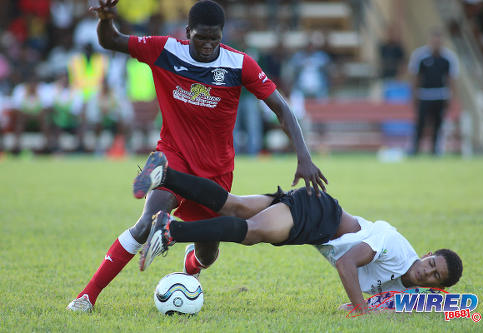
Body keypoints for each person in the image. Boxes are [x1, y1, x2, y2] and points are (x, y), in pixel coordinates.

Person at [67, 0, 327, 312]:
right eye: (200, 38)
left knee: (208, 256)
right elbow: (111, 41)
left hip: (214, 175)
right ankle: (87, 296)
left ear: (222, 35)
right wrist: (107, 18)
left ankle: (190, 267)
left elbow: (282, 108)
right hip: (171, 158)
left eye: (214, 39)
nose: (207, 45)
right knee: (147, 224)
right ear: (187, 32)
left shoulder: (239, 64)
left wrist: (304, 157)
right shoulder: (165, 50)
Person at [137, 151, 462, 314]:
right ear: (428, 253)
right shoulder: (396, 248)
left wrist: (360, 306)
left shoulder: (403, 289)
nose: (427, 272)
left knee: (233, 207)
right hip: (321, 216)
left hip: (317, 217)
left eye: (435, 277)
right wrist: (364, 312)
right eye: (432, 264)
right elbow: (346, 264)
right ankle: (171, 231)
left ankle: (164, 172)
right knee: (252, 233)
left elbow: (355, 304)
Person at [408, 29, 459, 156]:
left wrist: (451, 97)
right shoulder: (420, 56)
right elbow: (416, 77)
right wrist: (414, 95)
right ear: (430, 41)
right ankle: (415, 148)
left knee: (438, 124)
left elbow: (450, 79)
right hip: (424, 95)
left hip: (440, 95)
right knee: (420, 123)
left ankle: (435, 150)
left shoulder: (448, 58)